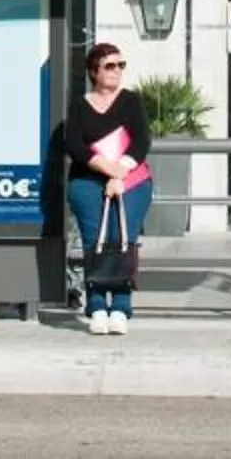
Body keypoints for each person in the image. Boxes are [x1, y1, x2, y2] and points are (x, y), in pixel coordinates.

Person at [57, 39, 153, 334]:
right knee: (93, 244)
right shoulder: (79, 105)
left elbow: (141, 141)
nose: (116, 71)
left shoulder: (131, 100)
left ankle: (122, 308)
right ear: (93, 71)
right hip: (88, 183)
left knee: (123, 240)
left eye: (120, 65)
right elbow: (74, 144)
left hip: (131, 183)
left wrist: (119, 172)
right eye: (109, 65)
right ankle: (97, 306)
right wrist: (106, 168)